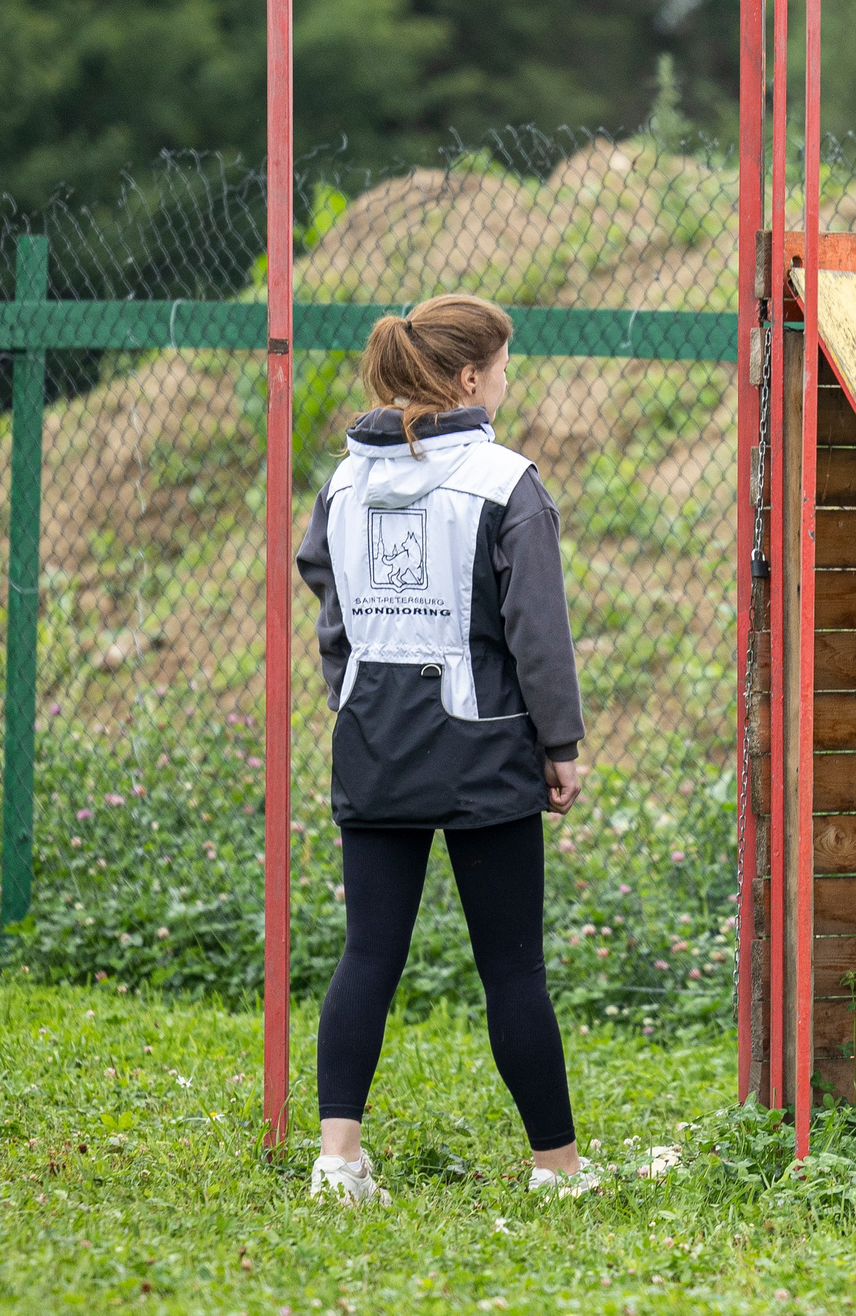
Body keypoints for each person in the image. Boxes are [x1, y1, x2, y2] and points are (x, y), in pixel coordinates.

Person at [295, 294, 599, 1203]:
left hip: (374, 745)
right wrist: (563, 744)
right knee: (512, 968)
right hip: (484, 755)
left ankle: (337, 1161)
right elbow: (536, 632)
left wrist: (353, 703)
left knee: (367, 957)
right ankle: (557, 1168)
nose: (508, 381)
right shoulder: (508, 483)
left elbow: (331, 604)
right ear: (469, 378)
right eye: (503, 366)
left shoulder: (343, 483)